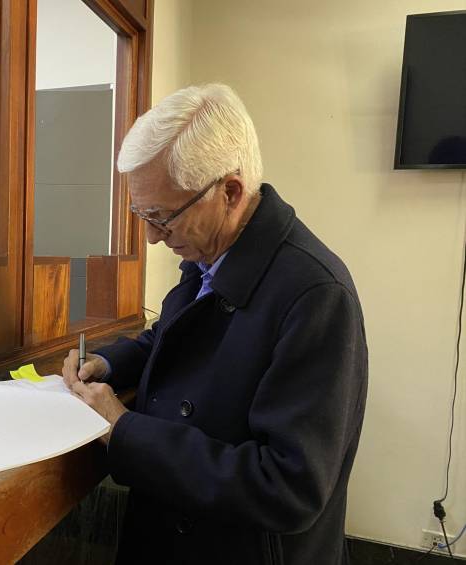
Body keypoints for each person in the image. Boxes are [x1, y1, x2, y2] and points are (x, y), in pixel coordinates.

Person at [62, 84, 368, 565]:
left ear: (229, 192)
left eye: (163, 217)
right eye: (141, 214)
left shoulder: (315, 294)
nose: (151, 237)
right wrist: (107, 361)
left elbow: (287, 486)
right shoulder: (212, 258)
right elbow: (171, 339)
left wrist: (124, 430)